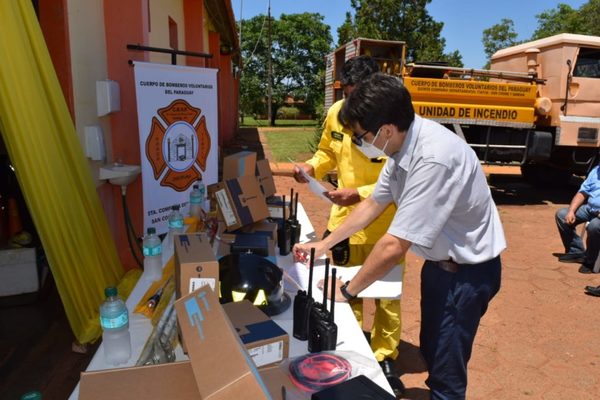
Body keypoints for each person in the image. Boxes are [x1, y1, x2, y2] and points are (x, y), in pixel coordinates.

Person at [293, 73, 506, 399]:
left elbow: (394, 245)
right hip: (439, 267)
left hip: (467, 274)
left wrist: (348, 291)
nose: (358, 142)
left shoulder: (432, 158)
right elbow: (375, 202)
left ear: (386, 130)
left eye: (361, 135)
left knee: (447, 373)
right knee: (432, 350)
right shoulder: (403, 146)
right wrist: (324, 245)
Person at [292, 56, 404, 395]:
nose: (352, 101)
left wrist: (361, 193)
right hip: (344, 222)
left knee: (387, 295)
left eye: (359, 93)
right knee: (343, 288)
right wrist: (312, 167)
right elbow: (327, 151)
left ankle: (386, 355)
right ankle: (353, 350)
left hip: (388, 223)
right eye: (348, 92)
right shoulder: (336, 113)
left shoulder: (394, 119)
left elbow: (402, 173)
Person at [554, 165, 600, 274]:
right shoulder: (596, 170)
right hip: (590, 209)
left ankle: (591, 260)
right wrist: (571, 211)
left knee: (594, 226)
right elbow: (582, 192)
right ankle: (576, 251)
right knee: (562, 214)